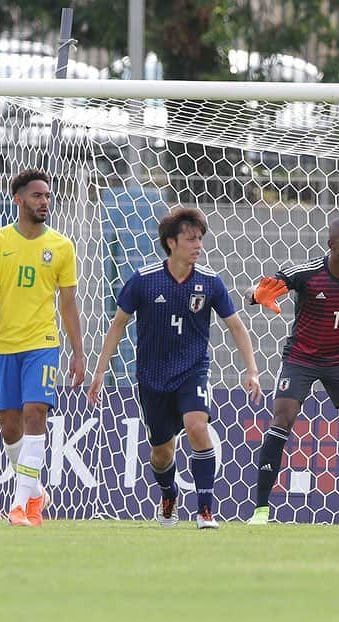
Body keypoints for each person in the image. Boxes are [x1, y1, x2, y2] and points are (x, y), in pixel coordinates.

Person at [87, 207, 263, 529]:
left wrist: (251, 369)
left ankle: (205, 510)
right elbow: (118, 325)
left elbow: (236, 326)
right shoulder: (143, 280)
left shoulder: (210, 282)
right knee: (161, 453)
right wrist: (99, 372)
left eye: (200, 239)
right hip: (152, 377)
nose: (198, 245)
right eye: (190, 239)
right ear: (171, 243)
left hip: (192, 371)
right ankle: (168, 496)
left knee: (198, 426)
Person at [245, 217, 339, 527]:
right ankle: (260, 512)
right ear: (332, 245)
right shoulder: (306, 274)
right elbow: (257, 290)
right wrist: (256, 294)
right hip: (301, 357)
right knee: (283, 419)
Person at [0, 169, 85, 527]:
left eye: (48, 196)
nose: (45, 202)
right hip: (6, 346)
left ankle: (21, 505)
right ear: (18, 199)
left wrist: (78, 352)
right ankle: (35, 489)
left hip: (43, 344)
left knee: (36, 412)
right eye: (37, 196)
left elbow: (69, 304)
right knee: (9, 425)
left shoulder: (62, 247)